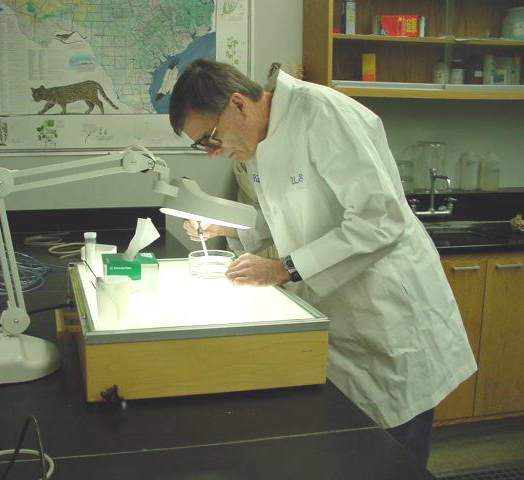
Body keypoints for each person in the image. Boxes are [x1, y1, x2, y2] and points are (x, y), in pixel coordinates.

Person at [168, 59, 477, 468]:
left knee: (395, 457)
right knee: (354, 454)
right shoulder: (258, 145)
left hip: (388, 317)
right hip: (340, 322)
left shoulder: (323, 114)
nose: (211, 152)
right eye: (200, 145)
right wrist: (222, 226)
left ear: (238, 104)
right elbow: (290, 220)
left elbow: (379, 220)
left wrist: (282, 270)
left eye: (209, 137)